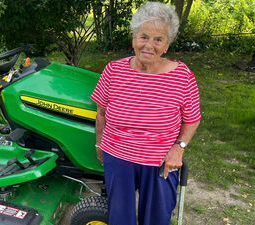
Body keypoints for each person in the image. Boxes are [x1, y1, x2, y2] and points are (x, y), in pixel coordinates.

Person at [91, 2, 201, 225]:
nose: (149, 45)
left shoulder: (182, 76)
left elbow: (192, 118)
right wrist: (99, 143)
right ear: (134, 39)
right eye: (143, 37)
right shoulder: (113, 70)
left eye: (158, 39)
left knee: (157, 218)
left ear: (166, 45)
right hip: (118, 155)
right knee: (120, 217)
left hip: (160, 160)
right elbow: (101, 112)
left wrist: (178, 148)